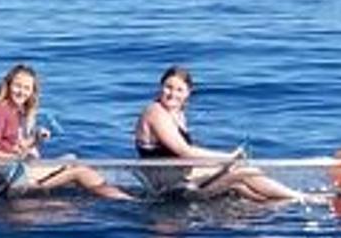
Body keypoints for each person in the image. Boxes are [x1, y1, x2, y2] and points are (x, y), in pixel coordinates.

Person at [134, 65, 313, 203]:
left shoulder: (176, 112)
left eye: (179, 89)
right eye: (168, 87)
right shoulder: (155, 112)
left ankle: (277, 203)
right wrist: (228, 158)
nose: (172, 93)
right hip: (167, 183)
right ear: (160, 87)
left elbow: (185, 153)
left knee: (240, 185)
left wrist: (224, 162)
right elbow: (184, 151)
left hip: (180, 173)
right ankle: (301, 198)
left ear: (188, 93)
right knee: (244, 172)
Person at [0, 63, 132, 200]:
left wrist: (35, 139)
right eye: (17, 86)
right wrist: (19, 158)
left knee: (71, 158)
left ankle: (101, 193)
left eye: (27, 88)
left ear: (32, 91)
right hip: (7, 175)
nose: (21, 92)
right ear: (8, 85)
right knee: (79, 170)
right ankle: (124, 201)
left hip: (14, 170)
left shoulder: (15, 110)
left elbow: (11, 145)